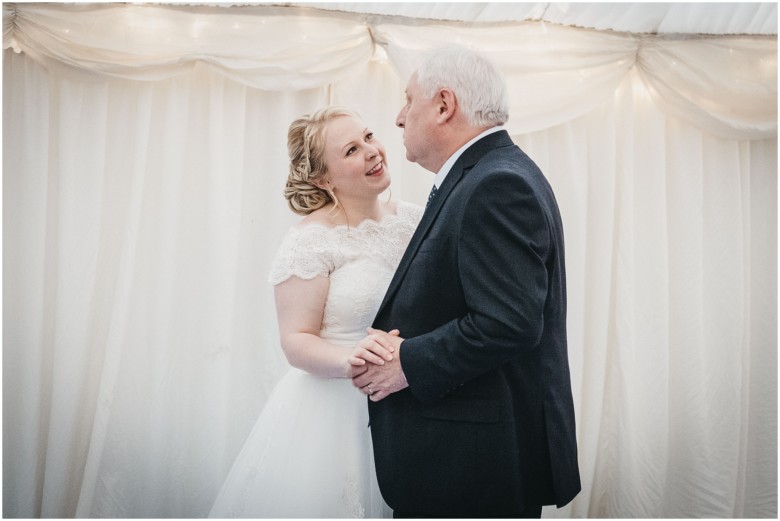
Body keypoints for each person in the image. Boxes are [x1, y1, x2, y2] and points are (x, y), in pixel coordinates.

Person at [351, 46, 581, 518]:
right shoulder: (492, 173)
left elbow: (509, 322)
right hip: (471, 456)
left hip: (472, 465)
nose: (398, 118)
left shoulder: (496, 184)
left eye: (408, 100)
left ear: (443, 105)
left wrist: (406, 362)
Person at [208, 106, 423, 518]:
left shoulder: (415, 220)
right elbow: (296, 339)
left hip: (409, 396)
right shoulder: (310, 242)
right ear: (323, 178)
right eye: (351, 150)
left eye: (369, 136)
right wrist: (353, 362)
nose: (373, 152)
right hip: (335, 409)